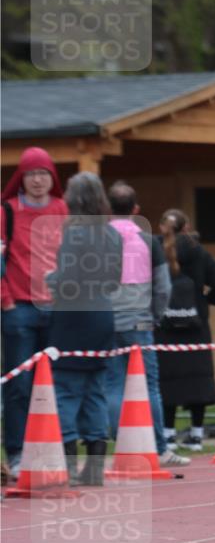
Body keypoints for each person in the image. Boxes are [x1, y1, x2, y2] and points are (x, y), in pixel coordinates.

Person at [105, 181, 190, 467]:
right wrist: (155, 315)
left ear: (107, 210)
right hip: (141, 320)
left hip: (108, 320)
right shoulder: (148, 241)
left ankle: (123, 446)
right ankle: (159, 447)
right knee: (149, 385)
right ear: (136, 209)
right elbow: (163, 286)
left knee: (114, 384)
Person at [46, 173, 122, 486]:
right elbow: (114, 281)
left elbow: (69, 281)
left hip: (73, 318)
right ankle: (93, 467)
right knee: (95, 391)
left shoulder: (74, 234)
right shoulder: (112, 234)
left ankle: (69, 463)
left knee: (66, 390)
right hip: (103, 315)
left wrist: (51, 278)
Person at [1, 146, 68, 478]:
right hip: (18, 310)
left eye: (44, 174)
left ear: (52, 178)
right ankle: (15, 453)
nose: (38, 180)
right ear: (21, 179)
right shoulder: (6, 211)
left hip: (54, 308)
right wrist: (6, 300)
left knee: (54, 383)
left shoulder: (61, 209)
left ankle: (50, 450)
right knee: (19, 385)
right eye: (31, 174)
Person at [155, 209, 215, 451]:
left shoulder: (155, 250)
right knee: (197, 381)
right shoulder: (198, 252)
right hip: (195, 327)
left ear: (161, 228)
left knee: (166, 380)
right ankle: (197, 436)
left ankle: (167, 434)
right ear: (186, 227)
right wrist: (207, 301)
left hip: (164, 327)